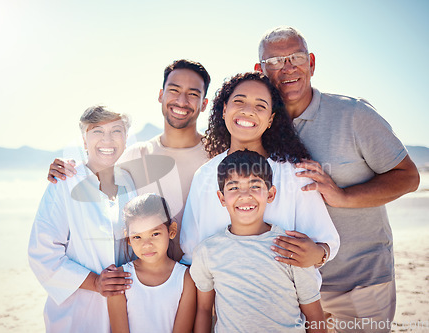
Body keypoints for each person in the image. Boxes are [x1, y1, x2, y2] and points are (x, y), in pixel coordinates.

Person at [255, 26, 420, 332]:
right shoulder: (260, 126)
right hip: (293, 291)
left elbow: (408, 178)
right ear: (260, 70)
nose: (287, 68)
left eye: (296, 57)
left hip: (359, 285)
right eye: (275, 61)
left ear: (312, 63)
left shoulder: (353, 115)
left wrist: (343, 196)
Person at [47, 59, 211, 261]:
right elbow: (97, 168)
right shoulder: (134, 156)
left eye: (193, 94)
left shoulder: (219, 156)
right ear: (161, 95)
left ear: (204, 104)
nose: (182, 100)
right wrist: (65, 168)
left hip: (205, 279)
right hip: (149, 283)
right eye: (174, 90)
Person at [180, 72, 339, 271]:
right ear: (224, 110)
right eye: (239, 101)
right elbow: (191, 252)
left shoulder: (295, 173)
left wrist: (318, 255)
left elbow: (325, 242)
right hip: (220, 300)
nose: (248, 111)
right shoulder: (204, 176)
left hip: (282, 298)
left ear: (271, 119)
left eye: (260, 106)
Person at [191, 150, 326, 332]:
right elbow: (204, 309)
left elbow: (314, 315)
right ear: (222, 198)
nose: (245, 194)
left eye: (255, 186)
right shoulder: (207, 252)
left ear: (270, 194)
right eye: (233, 187)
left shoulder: (291, 248)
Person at [28, 106, 137, 332]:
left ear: (125, 139)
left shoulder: (130, 183)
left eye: (116, 131)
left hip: (126, 312)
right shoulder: (65, 182)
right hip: (76, 315)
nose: (107, 139)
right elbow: (43, 253)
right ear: (85, 141)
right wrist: (96, 283)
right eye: (97, 131)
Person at [107, 193, 196, 333]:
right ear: (128, 239)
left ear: (171, 231)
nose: (146, 245)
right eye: (137, 237)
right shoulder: (119, 278)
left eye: (155, 234)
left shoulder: (185, 279)